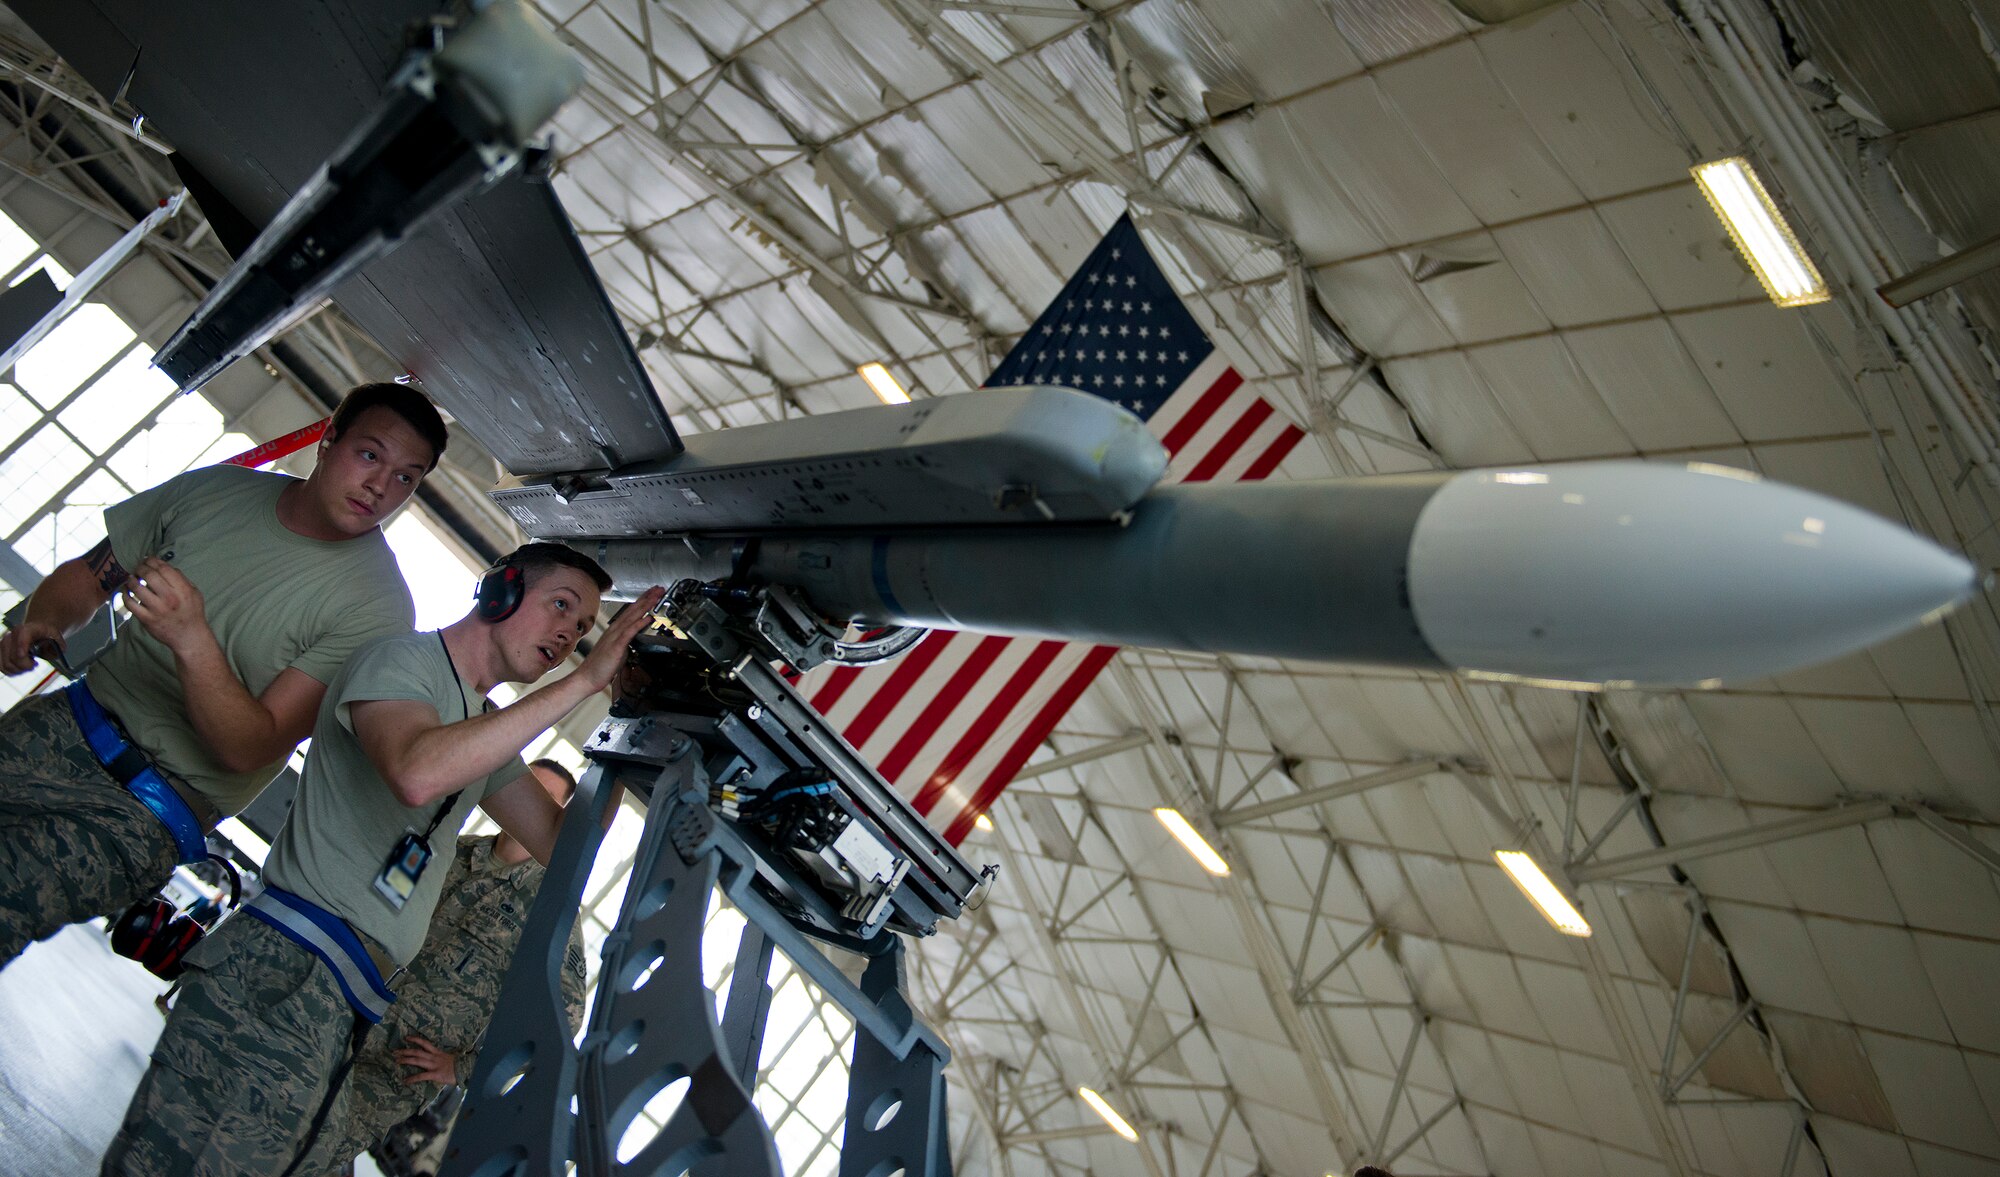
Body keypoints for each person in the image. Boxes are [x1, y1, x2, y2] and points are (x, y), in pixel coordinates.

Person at [100, 543, 664, 1177]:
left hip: (343, 994)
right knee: (177, 1160)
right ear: (500, 590)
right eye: (562, 606)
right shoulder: (401, 661)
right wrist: (581, 684)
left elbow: (562, 847)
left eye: (585, 628)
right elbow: (416, 772)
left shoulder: (480, 724)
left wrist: (630, 725)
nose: (570, 633)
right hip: (287, 965)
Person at [0, 383, 446, 968]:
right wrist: (45, 620)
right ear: (329, 437)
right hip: (59, 725)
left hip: (146, 811)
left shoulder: (379, 611)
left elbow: (252, 746)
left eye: (406, 478)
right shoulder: (217, 491)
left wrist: (192, 636)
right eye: (370, 455)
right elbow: (91, 576)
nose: (380, 487)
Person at [302, 759, 592, 1176]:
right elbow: (374, 898)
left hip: (399, 1066)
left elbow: (562, 1019)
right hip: (341, 1017)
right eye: (527, 793)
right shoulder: (448, 847)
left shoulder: (551, 909)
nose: (530, 809)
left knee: (315, 1150)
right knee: (278, 1119)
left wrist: (463, 1068)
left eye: (547, 804)